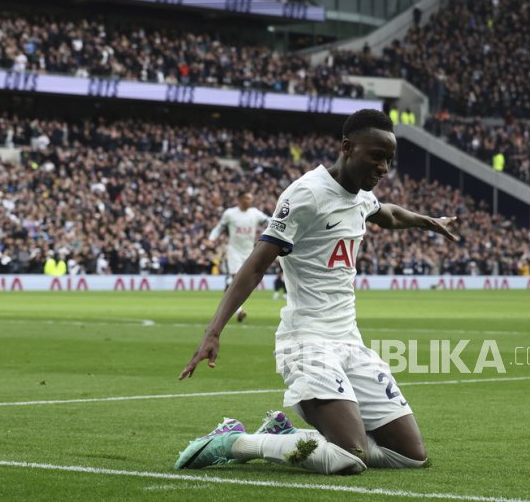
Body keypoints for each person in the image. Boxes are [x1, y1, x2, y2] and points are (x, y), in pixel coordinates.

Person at [176, 109, 459, 475]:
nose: (385, 168)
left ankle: (286, 435)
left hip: (349, 343)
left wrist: (427, 222)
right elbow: (256, 265)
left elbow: (387, 214)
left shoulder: (359, 195)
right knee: (350, 457)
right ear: (347, 148)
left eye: (389, 160)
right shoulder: (307, 193)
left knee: (410, 457)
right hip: (307, 341)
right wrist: (213, 330)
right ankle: (235, 441)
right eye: (377, 156)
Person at [207, 191, 270, 322]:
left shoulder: (255, 213)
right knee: (238, 280)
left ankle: (228, 285)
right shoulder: (230, 214)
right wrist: (211, 239)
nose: (250, 201)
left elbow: (269, 222)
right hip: (234, 251)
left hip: (250, 252)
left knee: (240, 282)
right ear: (240, 200)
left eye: (251, 198)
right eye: (248, 198)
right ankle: (239, 311)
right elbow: (220, 227)